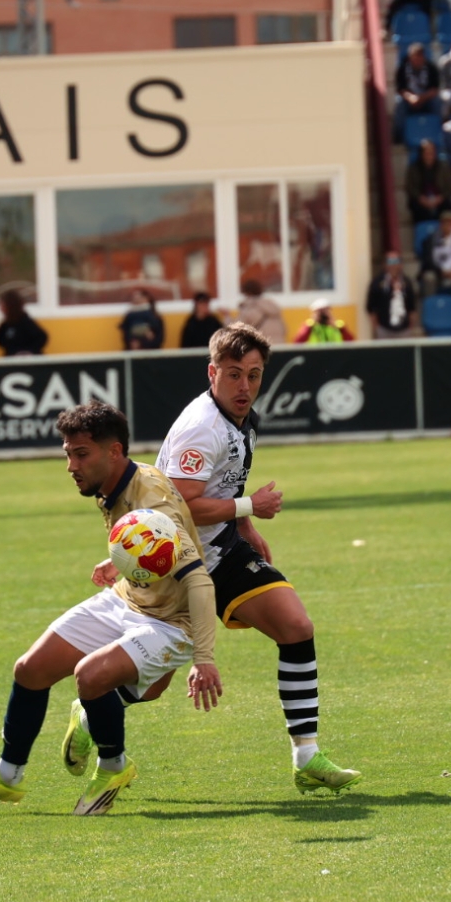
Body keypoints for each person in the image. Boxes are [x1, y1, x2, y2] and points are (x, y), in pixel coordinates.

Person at [0, 401, 224, 815]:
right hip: (128, 598)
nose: (71, 466)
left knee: (90, 677)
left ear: (114, 451)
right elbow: (153, 543)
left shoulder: (151, 499)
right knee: (30, 669)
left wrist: (204, 659)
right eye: (68, 454)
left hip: (172, 622)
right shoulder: (111, 483)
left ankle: (113, 767)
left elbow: (197, 578)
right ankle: (8, 775)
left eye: (81, 454)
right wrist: (121, 560)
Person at [149, 325, 360, 793]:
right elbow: (180, 507)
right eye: (233, 374)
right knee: (150, 684)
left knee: (296, 627)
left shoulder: (244, 418)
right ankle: (92, 710)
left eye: (254, 375)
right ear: (212, 373)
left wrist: (245, 526)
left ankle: (306, 757)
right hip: (178, 561)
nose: (244, 386)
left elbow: (227, 480)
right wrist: (250, 508)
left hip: (222, 548)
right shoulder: (201, 428)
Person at [366, 253, 417, 339]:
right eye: (390, 262)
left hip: (404, 330)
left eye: (395, 261)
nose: (393, 265)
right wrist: (377, 327)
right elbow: (371, 308)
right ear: (384, 264)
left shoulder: (407, 283)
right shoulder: (377, 283)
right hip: (384, 329)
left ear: (400, 264)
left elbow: (412, 308)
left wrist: (411, 326)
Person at [0, 289, 48, 355]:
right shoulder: (6, 324)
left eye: (2, 305)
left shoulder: (25, 322)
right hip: (11, 359)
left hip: (27, 359)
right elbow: (2, 343)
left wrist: (28, 352)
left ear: (10, 306)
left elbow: (42, 337)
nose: (1, 308)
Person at [237, 279, 287, 345]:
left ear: (246, 292)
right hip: (280, 345)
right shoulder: (272, 306)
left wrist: (227, 317)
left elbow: (237, 328)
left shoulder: (249, 309)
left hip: (263, 346)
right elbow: (284, 329)